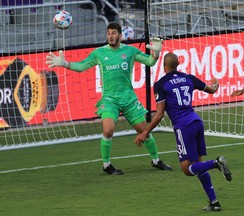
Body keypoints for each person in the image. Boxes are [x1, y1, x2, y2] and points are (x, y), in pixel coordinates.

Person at [46, 22, 172, 175]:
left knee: (144, 131)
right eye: (108, 33)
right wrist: (64, 63)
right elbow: (81, 66)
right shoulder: (99, 53)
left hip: (128, 99)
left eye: (113, 33)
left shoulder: (130, 51)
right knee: (108, 130)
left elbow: (150, 62)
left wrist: (157, 53)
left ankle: (156, 160)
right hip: (109, 99)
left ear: (120, 35)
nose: (110, 36)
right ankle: (107, 165)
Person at [135, 53, 232, 211]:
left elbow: (159, 114)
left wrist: (145, 132)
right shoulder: (189, 78)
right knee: (198, 166)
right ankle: (214, 202)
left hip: (183, 127)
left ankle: (216, 163)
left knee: (187, 170)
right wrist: (216, 84)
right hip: (196, 122)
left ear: (164, 66)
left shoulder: (161, 84)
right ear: (178, 63)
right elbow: (213, 90)